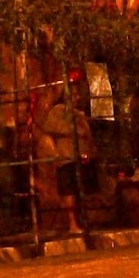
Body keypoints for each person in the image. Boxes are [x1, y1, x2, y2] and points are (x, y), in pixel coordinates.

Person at [41, 86, 98, 233]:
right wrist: (56, 154)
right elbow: (49, 134)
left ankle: (83, 221)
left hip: (81, 156)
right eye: (73, 95)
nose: (77, 98)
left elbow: (87, 135)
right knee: (69, 191)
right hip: (66, 157)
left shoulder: (78, 114)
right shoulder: (58, 111)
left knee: (82, 190)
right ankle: (73, 223)